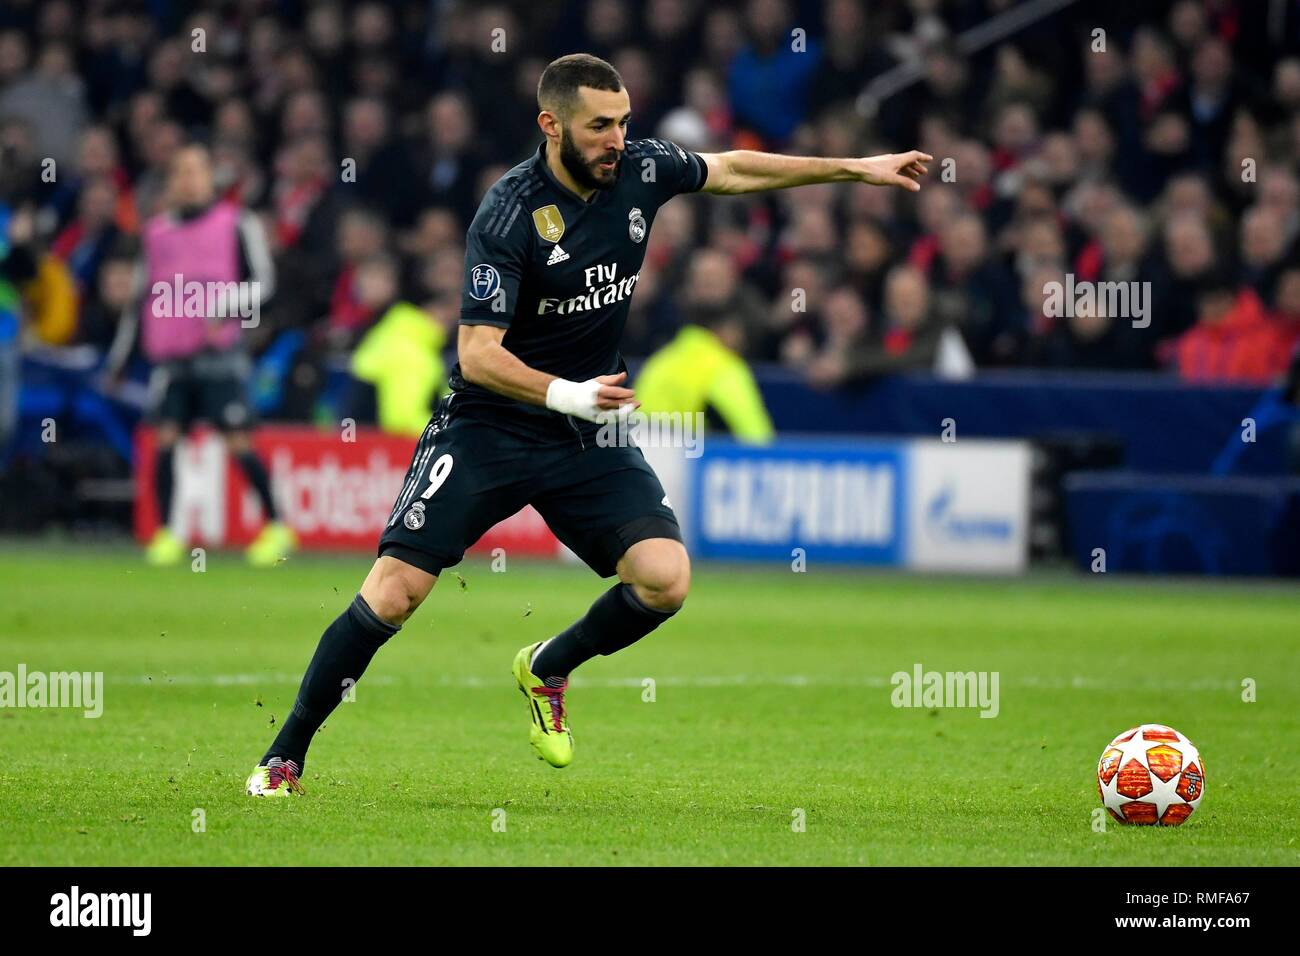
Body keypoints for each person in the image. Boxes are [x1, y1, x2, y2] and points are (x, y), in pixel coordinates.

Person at [246, 53, 930, 795]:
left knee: (665, 580)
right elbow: (477, 356)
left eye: (624, 122)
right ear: (552, 125)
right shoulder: (509, 211)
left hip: (582, 430)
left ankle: (547, 667)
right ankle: (285, 755)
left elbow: (733, 169)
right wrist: (568, 393)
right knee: (393, 593)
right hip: (490, 425)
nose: (617, 138)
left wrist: (855, 169)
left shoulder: (640, 169)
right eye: (600, 125)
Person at [108, 144, 293, 566]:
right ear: (171, 181)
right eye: (180, 172)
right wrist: (119, 360)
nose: (188, 180)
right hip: (171, 359)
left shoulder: (236, 223)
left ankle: (277, 526)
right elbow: (140, 299)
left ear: (211, 178)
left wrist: (225, 305)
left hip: (218, 356)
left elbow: (263, 282)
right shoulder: (155, 232)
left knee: (236, 440)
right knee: (167, 438)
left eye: (196, 171)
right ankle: (169, 533)